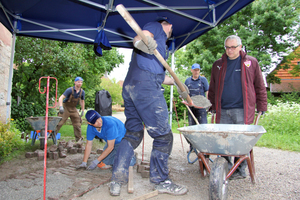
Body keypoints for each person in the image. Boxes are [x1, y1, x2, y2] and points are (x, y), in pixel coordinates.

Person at [109, 16, 188, 196]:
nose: (167, 38)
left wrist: (178, 83)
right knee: (163, 136)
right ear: (169, 27)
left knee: (133, 134)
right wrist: (143, 41)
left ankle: (116, 180)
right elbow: (140, 37)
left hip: (131, 86)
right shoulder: (157, 27)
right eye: (169, 34)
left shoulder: (156, 55)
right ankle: (161, 180)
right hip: (145, 87)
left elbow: (162, 78)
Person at [208, 35, 267, 179]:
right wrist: (212, 106)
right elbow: (213, 87)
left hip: (243, 110)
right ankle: (225, 168)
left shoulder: (250, 62)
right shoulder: (218, 64)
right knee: (224, 141)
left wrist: (262, 105)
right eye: (227, 47)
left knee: (241, 141)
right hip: (224, 110)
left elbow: (259, 85)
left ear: (240, 47)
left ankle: (240, 169)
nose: (230, 50)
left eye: (233, 47)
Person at [56, 77, 85, 142]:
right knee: (59, 123)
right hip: (65, 108)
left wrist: (82, 110)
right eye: (78, 82)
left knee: (77, 123)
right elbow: (61, 98)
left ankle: (79, 139)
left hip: (73, 109)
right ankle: (51, 135)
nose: (80, 83)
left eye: (81, 82)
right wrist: (61, 107)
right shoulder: (70, 90)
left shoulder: (82, 92)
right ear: (75, 82)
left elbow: (82, 101)